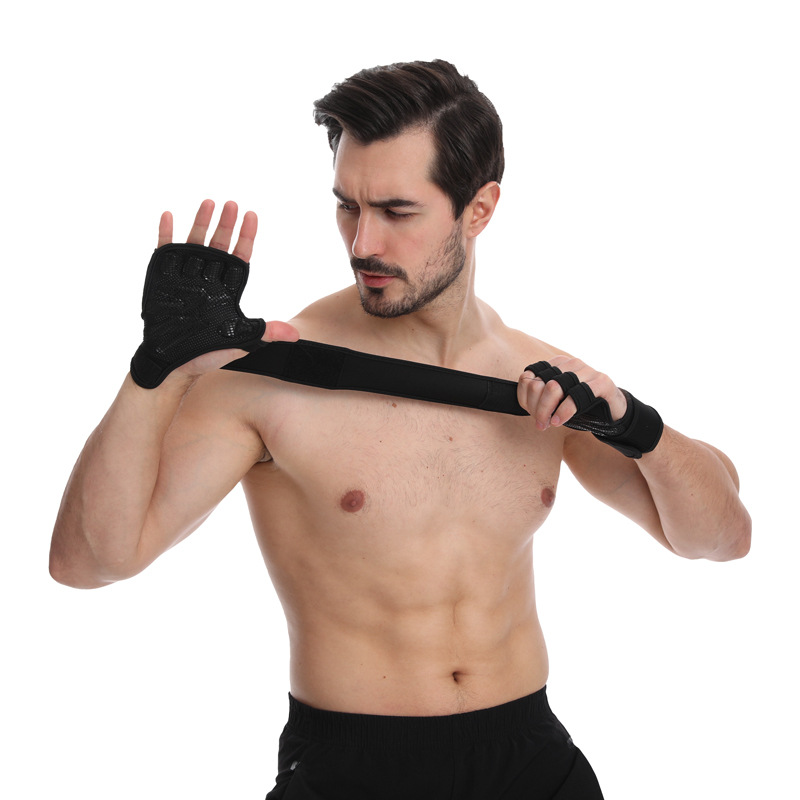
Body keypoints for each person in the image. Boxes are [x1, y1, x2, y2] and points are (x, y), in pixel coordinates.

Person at [50, 60, 751, 799]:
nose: (362, 242)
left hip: (529, 757)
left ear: (479, 210)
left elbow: (721, 538)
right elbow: (89, 562)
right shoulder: (274, 374)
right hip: (354, 767)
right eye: (347, 206)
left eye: (396, 210)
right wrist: (155, 372)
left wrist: (637, 426)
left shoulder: (539, 383)